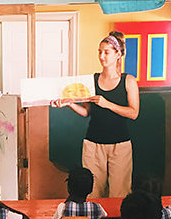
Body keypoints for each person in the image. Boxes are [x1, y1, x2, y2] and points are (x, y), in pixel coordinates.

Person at [51, 31, 139, 198]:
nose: (102, 56)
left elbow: (134, 113)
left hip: (120, 145)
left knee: (119, 192)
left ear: (117, 54)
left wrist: (108, 104)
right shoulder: (92, 80)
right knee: (92, 192)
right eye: (100, 52)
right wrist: (69, 103)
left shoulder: (128, 80)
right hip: (92, 144)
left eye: (106, 52)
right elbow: (86, 112)